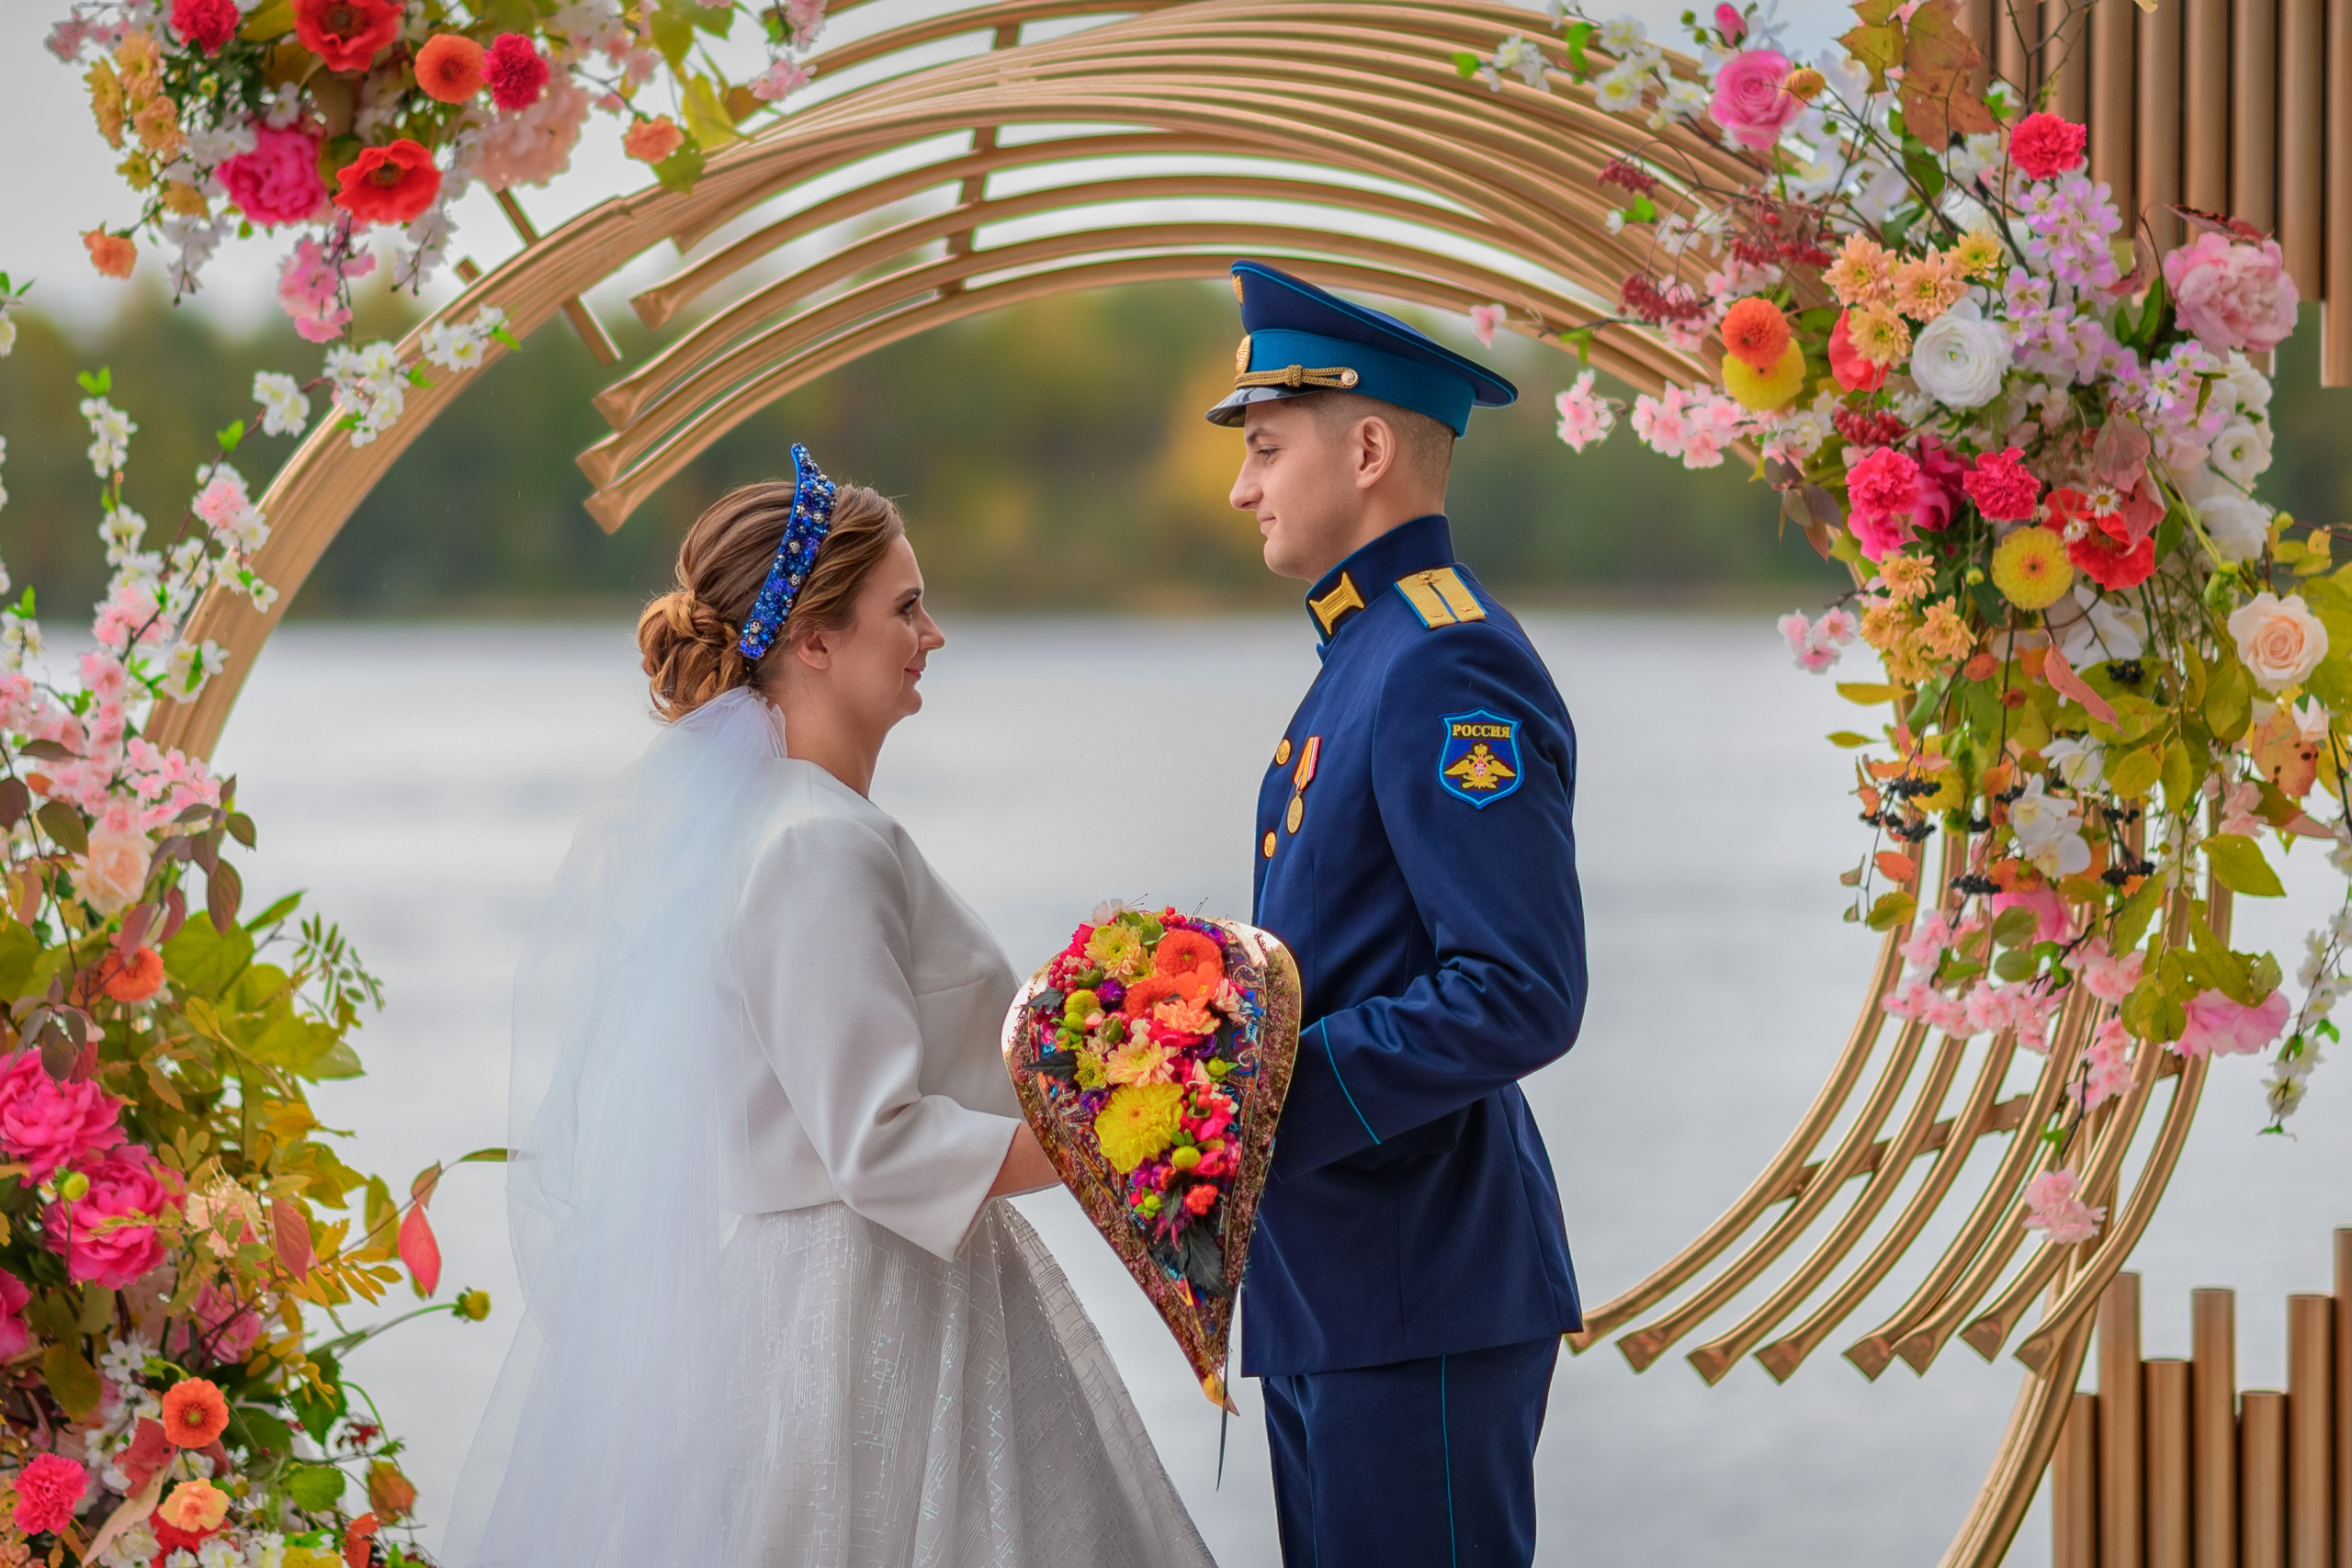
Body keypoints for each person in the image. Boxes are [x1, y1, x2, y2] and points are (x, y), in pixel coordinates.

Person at [447, 446, 1214, 1568]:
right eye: (905, 609)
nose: (932, 636)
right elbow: (879, 1144)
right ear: (814, 641)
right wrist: (1124, 1130)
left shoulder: (765, 826)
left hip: (811, 1290)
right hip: (874, 1310)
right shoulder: (814, 843)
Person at [1208, 261, 1589, 1566]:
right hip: (1339, 1284)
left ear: (1367, 446)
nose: (1242, 485)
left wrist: (1253, 1106)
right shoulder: (1367, 654)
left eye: (1265, 447)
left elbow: (1519, 986)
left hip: (1418, 1273)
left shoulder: (1441, 655)